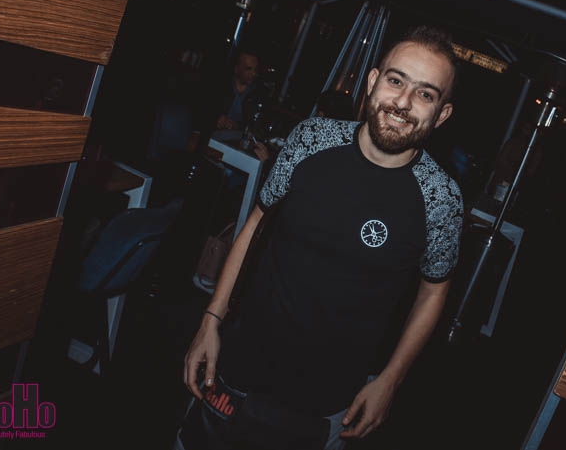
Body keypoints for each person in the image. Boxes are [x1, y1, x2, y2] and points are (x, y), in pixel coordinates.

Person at [179, 24, 464, 450]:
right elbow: (254, 225)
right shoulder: (312, 138)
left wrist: (391, 378)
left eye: (425, 94)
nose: (403, 102)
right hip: (238, 367)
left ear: (441, 114)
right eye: (395, 80)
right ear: (373, 81)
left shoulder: (441, 198)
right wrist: (211, 319)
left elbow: (433, 292)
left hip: (327, 402)